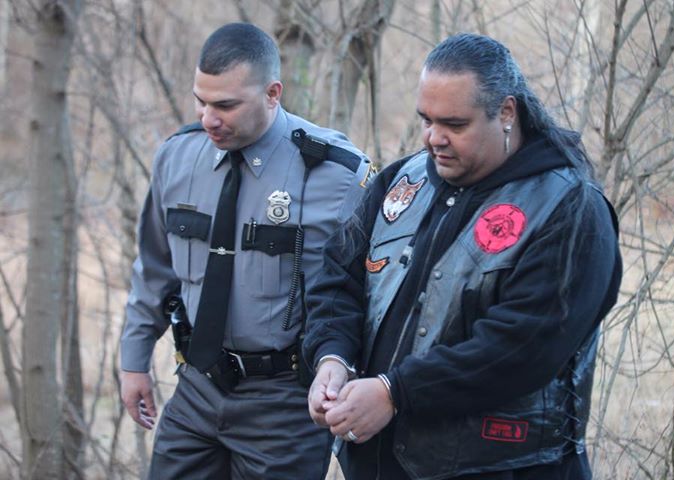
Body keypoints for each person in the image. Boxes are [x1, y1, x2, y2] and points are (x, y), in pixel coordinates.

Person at [304, 33, 622, 480]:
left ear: (507, 112)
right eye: (426, 120)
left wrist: (395, 393)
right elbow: (338, 280)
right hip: (380, 463)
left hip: (508, 467)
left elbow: (521, 347)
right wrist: (332, 358)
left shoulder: (569, 209)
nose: (434, 138)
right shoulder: (403, 181)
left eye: (454, 124)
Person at [120, 23, 373, 479]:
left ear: (273, 93)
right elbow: (155, 267)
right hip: (197, 388)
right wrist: (133, 361)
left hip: (285, 404)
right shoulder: (177, 158)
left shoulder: (337, 175)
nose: (208, 118)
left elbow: (361, 295)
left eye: (225, 105)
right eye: (201, 100)